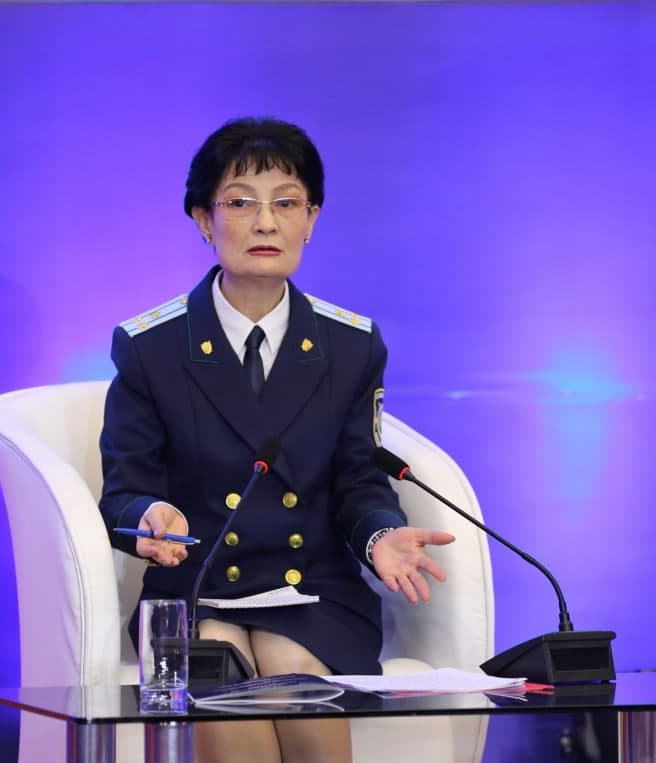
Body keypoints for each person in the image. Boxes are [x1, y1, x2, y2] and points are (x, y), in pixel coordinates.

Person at [99, 116, 454, 763]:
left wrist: (380, 534)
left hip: (313, 590)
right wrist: (148, 515)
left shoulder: (351, 345)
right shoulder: (150, 347)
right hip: (194, 592)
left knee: (293, 671)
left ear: (311, 219)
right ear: (204, 220)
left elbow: (359, 478)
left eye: (286, 203)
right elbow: (124, 490)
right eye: (240, 203)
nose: (266, 223)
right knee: (232, 701)